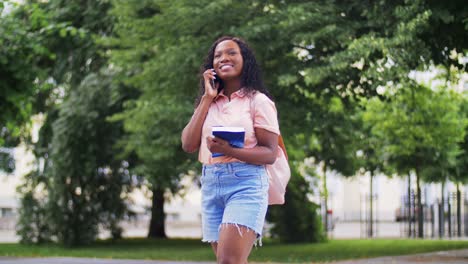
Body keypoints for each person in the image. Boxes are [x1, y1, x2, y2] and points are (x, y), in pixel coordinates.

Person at [181, 36, 280, 264]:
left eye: (231, 53)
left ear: (245, 60)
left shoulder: (258, 101)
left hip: (246, 183)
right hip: (211, 184)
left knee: (229, 261)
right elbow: (188, 144)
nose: (224, 58)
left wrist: (229, 150)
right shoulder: (208, 103)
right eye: (218, 55)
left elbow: (269, 153)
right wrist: (207, 98)